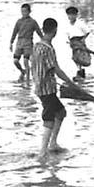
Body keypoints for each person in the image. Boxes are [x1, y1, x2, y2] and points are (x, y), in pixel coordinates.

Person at [30, 17, 75, 162]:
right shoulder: (48, 48)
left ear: (43, 29)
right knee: (48, 119)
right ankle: (42, 152)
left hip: (39, 85)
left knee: (61, 112)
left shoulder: (36, 46)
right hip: (47, 88)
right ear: (55, 30)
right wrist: (69, 82)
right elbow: (55, 68)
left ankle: (53, 144)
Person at [9, 3, 42, 78]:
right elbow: (14, 32)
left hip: (28, 43)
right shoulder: (19, 21)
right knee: (15, 61)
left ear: (29, 12)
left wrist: (43, 40)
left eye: (25, 11)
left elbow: (38, 31)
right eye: (22, 12)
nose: (23, 13)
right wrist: (11, 42)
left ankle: (27, 80)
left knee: (25, 61)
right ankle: (22, 71)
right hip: (19, 42)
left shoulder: (33, 22)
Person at [65, 5, 93, 79]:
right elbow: (68, 34)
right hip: (73, 42)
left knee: (80, 57)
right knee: (75, 57)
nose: (71, 16)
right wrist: (68, 41)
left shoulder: (80, 23)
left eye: (73, 14)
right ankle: (80, 71)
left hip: (79, 40)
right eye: (69, 15)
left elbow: (88, 31)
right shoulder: (67, 24)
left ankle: (80, 72)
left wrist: (83, 39)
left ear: (76, 15)